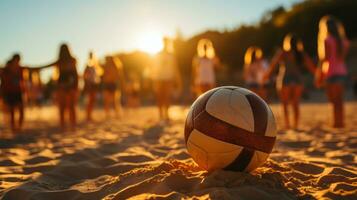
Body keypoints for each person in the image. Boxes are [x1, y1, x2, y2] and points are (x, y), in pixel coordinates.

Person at [266, 34, 315, 129]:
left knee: (284, 103)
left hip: (285, 79)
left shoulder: (283, 53)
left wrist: (267, 76)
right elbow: (311, 66)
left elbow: (273, 65)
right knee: (296, 103)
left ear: (287, 43)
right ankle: (295, 125)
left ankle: (287, 124)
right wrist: (317, 75)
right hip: (297, 79)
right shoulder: (301, 53)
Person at [316, 16, 350, 128]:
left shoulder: (327, 40)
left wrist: (319, 75)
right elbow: (342, 58)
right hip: (342, 72)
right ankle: (341, 122)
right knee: (340, 100)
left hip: (330, 72)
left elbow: (324, 59)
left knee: (333, 100)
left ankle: (336, 123)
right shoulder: (344, 41)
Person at [0, 54, 44, 131]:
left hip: (18, 91)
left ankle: (19, 127)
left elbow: (33, 69)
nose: (18, 62)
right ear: (13, 59)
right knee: (12, 111)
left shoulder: (21, 69)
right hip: (9, 92)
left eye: (19, 60)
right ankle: (13, 127)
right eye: (17, 60)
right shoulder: (6, 69)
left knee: (21, 110)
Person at [39, 44, 78, 130]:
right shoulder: (70, 60)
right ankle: (72, 125)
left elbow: (45, 66)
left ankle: (64, 125)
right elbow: (75, 74)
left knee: (63, 106)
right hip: (68, 85)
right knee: (70, 106)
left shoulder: (63, 61)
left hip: (63, 84)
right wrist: (75, 85)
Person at [152, 37, 182, 122]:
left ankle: (166, 114)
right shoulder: (158, 54)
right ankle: (161, 115)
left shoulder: (171, 55)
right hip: (158, 78)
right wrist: (153, 80)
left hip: (168, 78)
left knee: (167, 96)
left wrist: (178, 80)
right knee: (159, 97)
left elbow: (175, 68)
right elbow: (154, 67)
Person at [83, 52, 101, 121]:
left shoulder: (95, 65)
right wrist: (87, 83)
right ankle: (88, 115)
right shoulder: (87, 65)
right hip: (89, 84)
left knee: (92, 100)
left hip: (94, 84)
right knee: (90, 100)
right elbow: (85, 75)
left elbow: (96, 75)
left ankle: (89, 115)